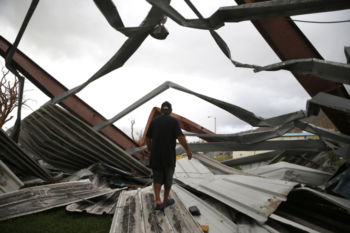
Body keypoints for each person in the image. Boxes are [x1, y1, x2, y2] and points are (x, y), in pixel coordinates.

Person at [146, 101, 192, 210]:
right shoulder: (174, 121)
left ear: (162, 110)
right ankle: (165, 201)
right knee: (168, 180)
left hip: (156, 156)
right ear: (170, 111)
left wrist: (150, 149)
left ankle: (158, 200)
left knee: (157, 179)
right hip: (168, 157)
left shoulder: (154, 121)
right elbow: (180, 138)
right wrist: (188, 150)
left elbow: (148, 138)